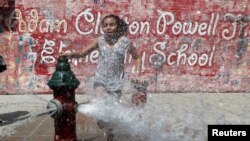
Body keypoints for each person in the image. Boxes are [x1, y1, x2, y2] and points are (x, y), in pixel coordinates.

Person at [61, 14, 142, 141]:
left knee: (112, 109)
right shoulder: (100, 40)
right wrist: (70, 55)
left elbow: (137, 57)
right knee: (101, 102)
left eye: (112, 25)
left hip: (117, 82)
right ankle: (101, 119)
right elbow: (83, 53)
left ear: (118, 26)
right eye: (105, 25)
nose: (108, 27)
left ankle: (110, 135)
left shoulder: (125, 42)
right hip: (101, 79)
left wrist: (137, 71)